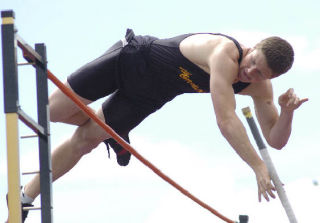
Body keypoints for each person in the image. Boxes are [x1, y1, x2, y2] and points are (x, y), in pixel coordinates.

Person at [8, 29, 308, 222]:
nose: (249, 72)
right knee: (53, 112)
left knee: (85, 141)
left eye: (259, 74)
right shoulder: (225, 54)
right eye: (252, 62)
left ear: (271, 78)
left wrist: (286, 113)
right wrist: (257, 167)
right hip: (133, 60)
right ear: (251, 47)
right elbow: (226, 119)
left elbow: (276, 140)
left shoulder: (260, 88)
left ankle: (24, 197)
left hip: (151, 94)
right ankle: (111, 132)